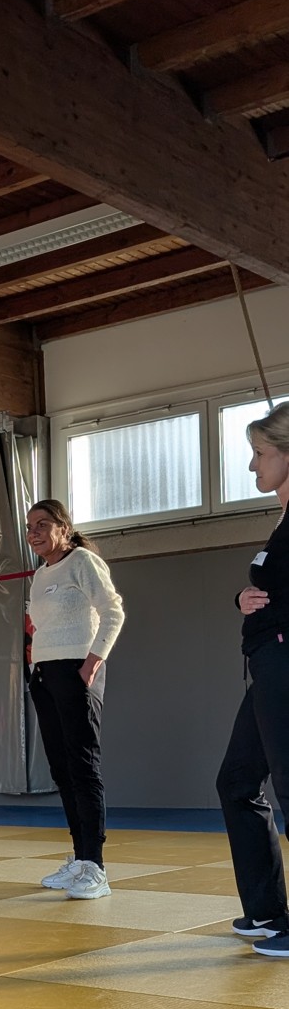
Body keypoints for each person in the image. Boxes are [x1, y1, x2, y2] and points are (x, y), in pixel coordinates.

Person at [216, 403, 289, 959]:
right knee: (237, 782)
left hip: (284, 663)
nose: (252, 465)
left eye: (260, 453)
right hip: (265, 665)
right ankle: (267, 909)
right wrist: (241, 597)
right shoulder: (282, 523)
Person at [25, 498, 124, 899]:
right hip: (45, 675)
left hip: (76, 671)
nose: (34, 532)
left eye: (42, 524)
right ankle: (80, 858)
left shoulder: (83, 561)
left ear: (63, 528)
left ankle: (96, 867)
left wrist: (92, 662)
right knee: (62, 768)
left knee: (83, 766)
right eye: (29, 526)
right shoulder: (40, 574)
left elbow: (113, 611)